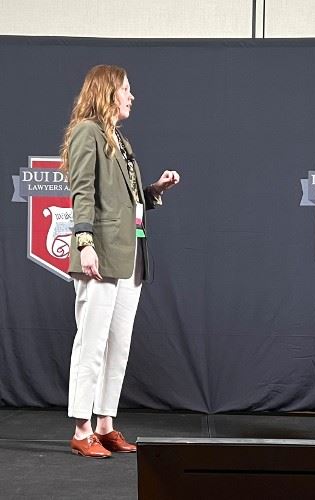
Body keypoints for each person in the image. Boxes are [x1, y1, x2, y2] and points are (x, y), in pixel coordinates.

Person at [60, 64, 180, 458]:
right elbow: (82, 193)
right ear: (108, 92)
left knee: (118, 346)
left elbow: (124, 202)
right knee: (90, 344)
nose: (132, 96)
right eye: (126, 89)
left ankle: (105, 424)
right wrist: (85, 243)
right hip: (100, 255)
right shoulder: (86, 133)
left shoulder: (119, 139)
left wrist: (154, 190)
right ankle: (81, 429)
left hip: (130, 258)